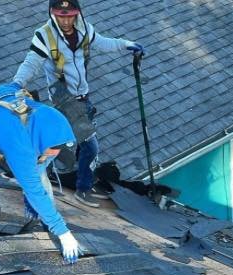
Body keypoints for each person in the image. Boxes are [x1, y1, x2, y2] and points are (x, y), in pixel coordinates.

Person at [12, 0, 143, 208]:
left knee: (65, 143)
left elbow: (103, 42)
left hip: (83, 97)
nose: (65, 20)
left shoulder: (83, 29)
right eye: (60, 15)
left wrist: (126, 45)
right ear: (52, 13)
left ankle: (33, 171)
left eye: (70, 15)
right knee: (90, 147)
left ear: (77, 13)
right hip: (64, 98)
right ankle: (82, 190)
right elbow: (31, 63)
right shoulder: (44, 35)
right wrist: (17, 84)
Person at [0, 83, 80, 263]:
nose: (54, 154)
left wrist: (32, 191)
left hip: (2, 108)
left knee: (37, 177)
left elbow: (41, 166)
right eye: (52, 149)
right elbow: (34, 186)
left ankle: (46, 218)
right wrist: (63, 232)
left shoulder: (50, 124)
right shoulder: (20, 148)